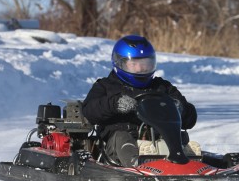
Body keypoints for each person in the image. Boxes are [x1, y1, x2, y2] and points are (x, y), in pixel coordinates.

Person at [82, 35, 197, 167]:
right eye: (135, 64)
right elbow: (88, 111)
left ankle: (188, 164)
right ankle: (138, 166)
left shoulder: (162, 87)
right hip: (117, 146)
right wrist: (115, 104)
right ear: (120, 63)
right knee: (122, 137)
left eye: (145, 64)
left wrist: (180, 109)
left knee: (179, 137)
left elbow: (190, 119)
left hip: (158, 138)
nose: (141, 69)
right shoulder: (106, 86)